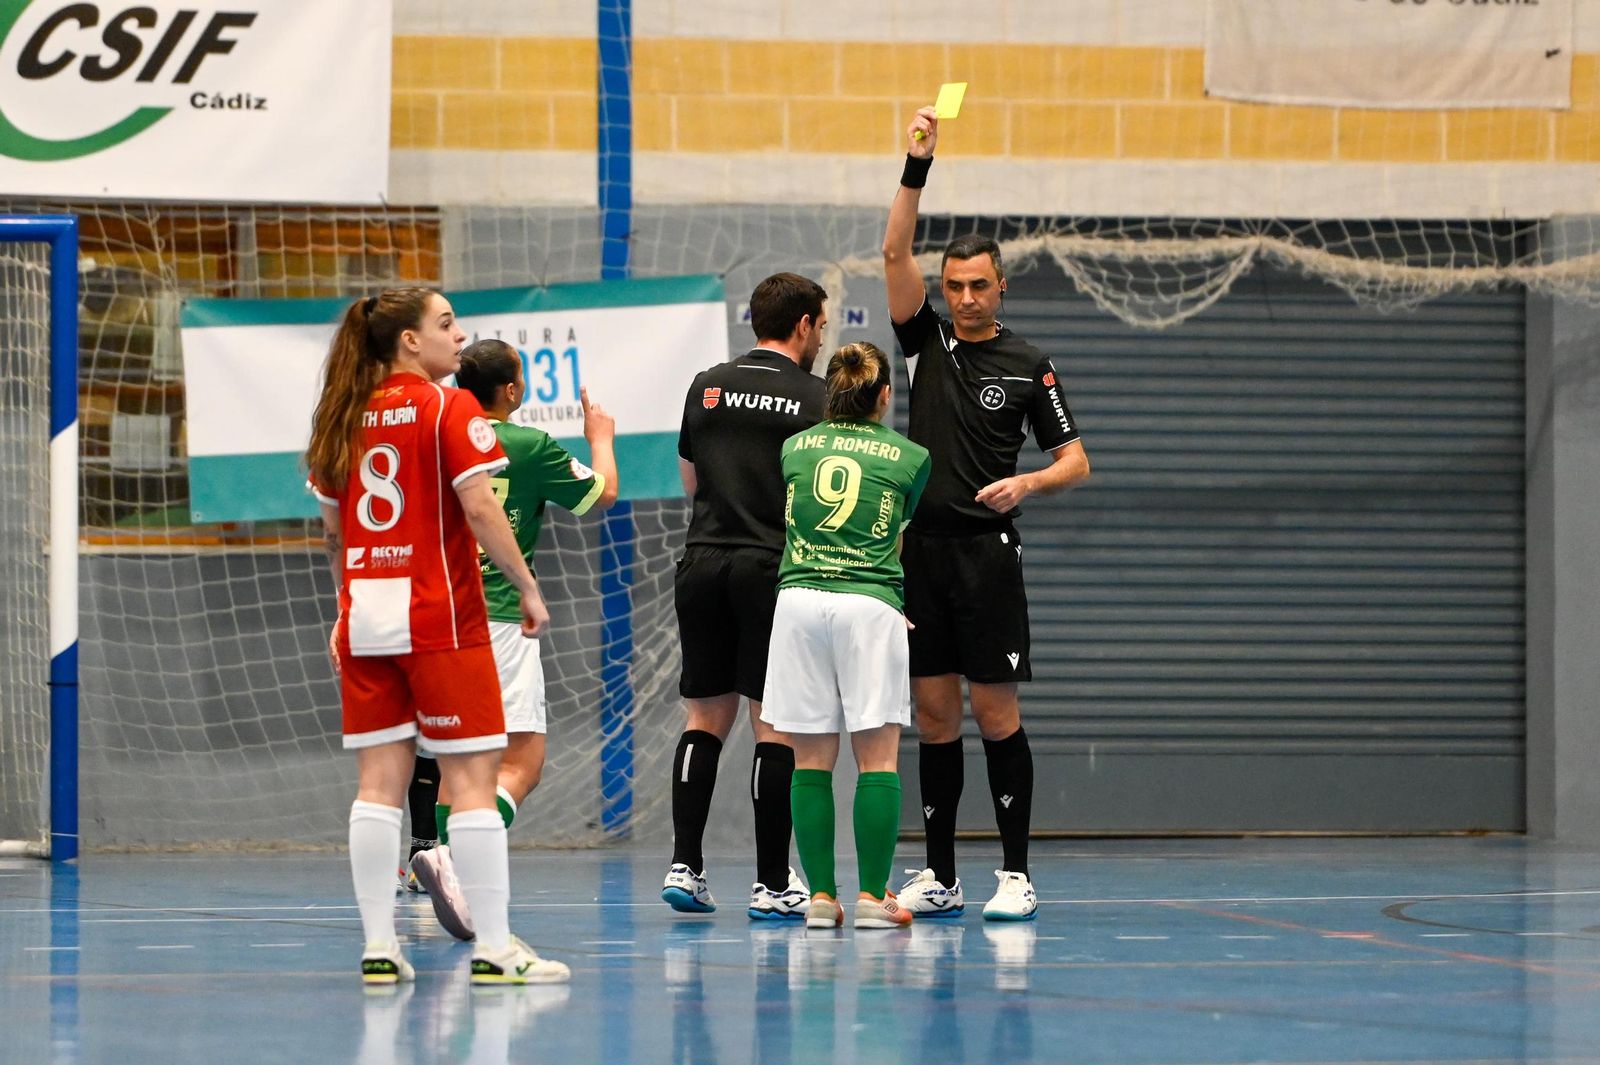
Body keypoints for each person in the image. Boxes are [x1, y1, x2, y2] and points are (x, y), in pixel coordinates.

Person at [305, 286, 570, 984]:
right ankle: (494, 946)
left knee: (377, 783)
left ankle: (378, 946)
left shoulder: (339, 417)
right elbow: (480, 508)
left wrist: (345, 607)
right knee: (474, 780)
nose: (460, 336)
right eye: (445, 324)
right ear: (408, 343)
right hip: (440, 616)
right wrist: (530, 586)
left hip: (366, 614)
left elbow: (334, 536)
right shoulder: (449, 408)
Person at [883, 107, 1092, 921]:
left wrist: (1028, 485)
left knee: (995, 709)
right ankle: (940, 876)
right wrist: (915, 164)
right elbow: (894, 250)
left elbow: (1076, 457)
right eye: (954, 286)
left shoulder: (1030, 363)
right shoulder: (924, 343)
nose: (965, 297)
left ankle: (1016, 873)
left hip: (987, 557)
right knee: (934, 717)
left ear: (1001, 287)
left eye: (979, 286)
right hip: (921, 555)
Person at [409, 338, 619, 940]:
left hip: (435, 618)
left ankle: (452, 873)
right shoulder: (525, 445)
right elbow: (600, 494)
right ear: (511, 391)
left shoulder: (437, 438)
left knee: (459, 762)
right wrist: (599, 436)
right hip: (499, 617)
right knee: (523, 760)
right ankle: (455, 861)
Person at [664, 272, 829, 919]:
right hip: (770, 567)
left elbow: (691, 480)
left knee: (704, 717)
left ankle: (685, 864)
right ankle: (770, 881)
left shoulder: (706, 385)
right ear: (806, 325)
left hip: (703, 560)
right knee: (774, 723)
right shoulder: (818, 396)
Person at [760, 341, 930, 930]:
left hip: (798, 602)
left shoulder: (792, 448)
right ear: (884, 396)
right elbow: (894, 539)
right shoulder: (911, 457)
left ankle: (821, 898)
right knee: (876, 757)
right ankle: (873, 898)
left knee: (810, 757)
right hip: (868, 604)